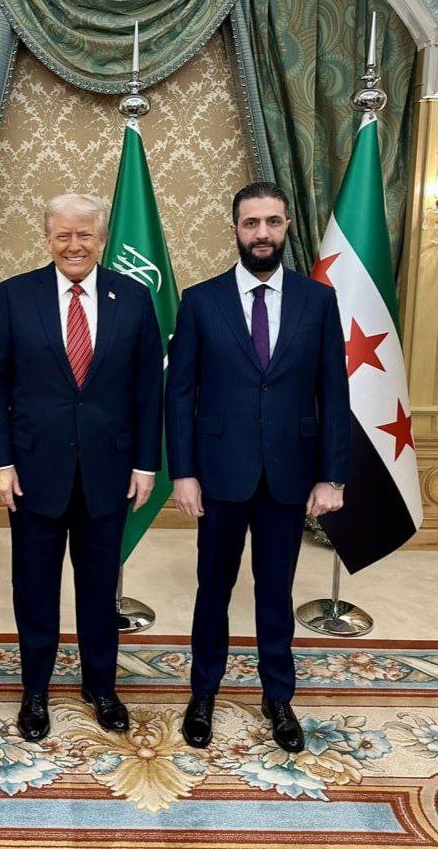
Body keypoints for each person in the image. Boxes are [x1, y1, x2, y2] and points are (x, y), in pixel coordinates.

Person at [166, 181, 350, 753]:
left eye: (272, 221)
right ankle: (203, 694)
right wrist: (183, 472)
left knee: (276, 592)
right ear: (236, 229)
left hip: (288, 475)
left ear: (287, 225)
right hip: (219, 474)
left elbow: (334, 393)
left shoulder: (317, 301)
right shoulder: (201, 300)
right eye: (251, 223)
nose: (262, 233)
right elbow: (180, 394)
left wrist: (332, 475)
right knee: (212, 590)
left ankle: (278, 698)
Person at [0, 193, 163, 741]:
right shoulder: (15, 295)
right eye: (63, 235)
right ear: (48, 239)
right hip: (33, 473)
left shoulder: (134, 297)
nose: (74, 245)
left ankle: (100, 687)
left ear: (102, 240)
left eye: (84, 235)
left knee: (100, 589)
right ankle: (35, 690)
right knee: (34, 588)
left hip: (109, 472)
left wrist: (146, 463)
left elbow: (148, 389)